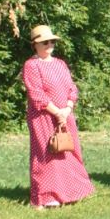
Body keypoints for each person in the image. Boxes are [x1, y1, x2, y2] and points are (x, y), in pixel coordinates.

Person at [20, 25, 94, 209]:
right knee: (46, 153)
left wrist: (67, 108)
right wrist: (56, 111)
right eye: (45, 42)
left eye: (52, 41)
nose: (49, 45)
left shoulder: (60, 64)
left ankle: (71, 192)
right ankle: (46, 196)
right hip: (43, 117)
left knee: (68, 150)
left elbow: (71, 88)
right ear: (35, 44)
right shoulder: (32, 65)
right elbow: (36, 93)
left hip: (65, 115)